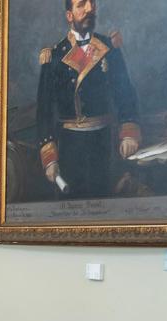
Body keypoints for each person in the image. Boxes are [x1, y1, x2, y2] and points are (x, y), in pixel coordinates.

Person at [36, 0, 141, 198]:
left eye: (92, 3)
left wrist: (128, 132)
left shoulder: (109, 48)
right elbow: (44, 110)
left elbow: (125, 92)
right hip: (69, 145)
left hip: (105, 143)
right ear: (69, 15)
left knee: (107, 202)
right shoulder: (54, 56)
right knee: (71, 206)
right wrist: (49, 158)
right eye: (81, 4)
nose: (89, 9)